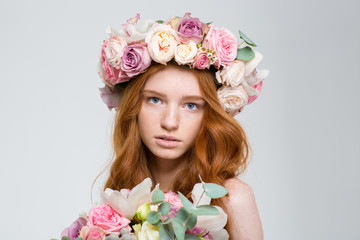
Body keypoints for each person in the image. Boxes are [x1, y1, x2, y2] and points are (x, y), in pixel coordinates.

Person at [97, 13, 268, 240]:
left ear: (211, 114)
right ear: (133, 106)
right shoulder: (122, 193)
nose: (169, 122)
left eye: (190, 105)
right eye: (155, 100)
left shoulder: (233, 199)